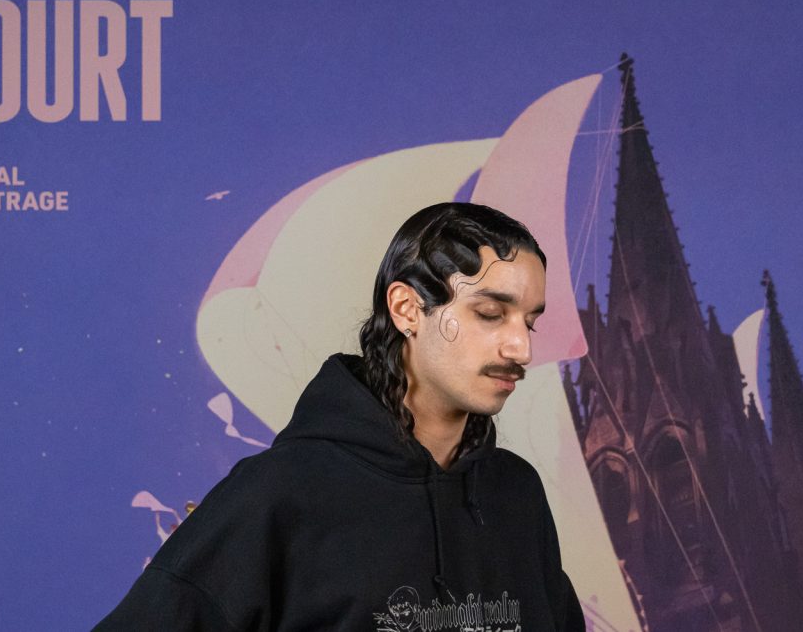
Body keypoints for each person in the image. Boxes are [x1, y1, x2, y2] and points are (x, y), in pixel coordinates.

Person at [94, 202, 585, 631]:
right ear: (407, 309)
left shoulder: (516, 493)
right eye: (491, 314)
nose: (521, 348)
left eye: (530, 322)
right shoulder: (279, 493)